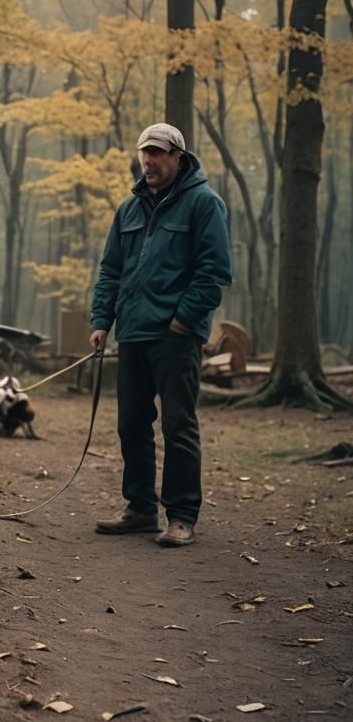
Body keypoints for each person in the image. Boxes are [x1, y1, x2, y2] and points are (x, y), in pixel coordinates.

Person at [89, 123, 232, 547]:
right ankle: (140, 509)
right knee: (131, 425)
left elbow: (214, 271)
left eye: (157, 152)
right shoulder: (128, 210)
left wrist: (183, 320)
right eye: (144, 153)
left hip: (176, 338)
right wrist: (102, 321)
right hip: (132, 333)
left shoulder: (204, 204)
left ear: (177, 157)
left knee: (177, 425)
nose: (148, 161)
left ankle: (182, 516)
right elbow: (110, 270)